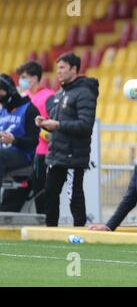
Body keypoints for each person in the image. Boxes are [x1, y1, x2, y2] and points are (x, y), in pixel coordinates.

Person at [35, 52, 98, 226]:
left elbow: (85, 125)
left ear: (74, 69)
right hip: (56, 154)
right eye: (57, 68)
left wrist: (57, 125)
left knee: (74, 196)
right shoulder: (60, 93)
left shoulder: (84, 93)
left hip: (73, 156)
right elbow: (57, 123)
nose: (58, 72)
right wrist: (44, 123)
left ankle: (80, 231)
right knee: (50, 194)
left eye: (62, 68)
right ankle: (51, 231)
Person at [15, 61, 55, 214]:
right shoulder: (22, 97)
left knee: (41, 195)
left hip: (42, 155)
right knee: (14, 196)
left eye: (24, 77)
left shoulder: (48, 97)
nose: (21, 81)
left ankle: (43, 227)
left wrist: (39, 132)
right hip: (24, 154)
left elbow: (54, 128)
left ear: (34, 78)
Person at [0, 74, 40, 211]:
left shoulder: (29, 109)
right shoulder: (3, 110)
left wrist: (14, 140)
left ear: (9, 90)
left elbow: (34, 141)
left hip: (23, 155)